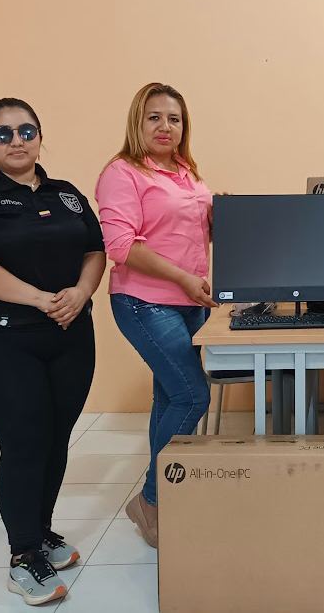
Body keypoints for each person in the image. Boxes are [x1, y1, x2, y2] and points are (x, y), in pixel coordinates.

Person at [0, 98, 106, 605]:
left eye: (26, 131)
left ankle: (40, 531)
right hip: (1, 340)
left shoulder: (66, 194)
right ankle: (23, 556)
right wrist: (40, 299)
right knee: (26, 443)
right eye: (4, 133)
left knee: (56, 440)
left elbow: (95, 250)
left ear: (39, 136)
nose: (17, 141)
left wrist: (82, 292)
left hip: (70, 335)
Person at [95, 82, 218, 549]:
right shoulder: (122, 172)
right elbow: (121, 246)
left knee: (169, 398)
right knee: (192, 396)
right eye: (154, 117)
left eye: (174, 119)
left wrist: (220, 217)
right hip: (145, 301)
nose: (165, 127)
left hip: (189, 302)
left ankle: (164, 501)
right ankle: (150, 499)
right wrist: (184, 279)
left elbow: (186, 232)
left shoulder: (186, 172)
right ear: (137, 121)